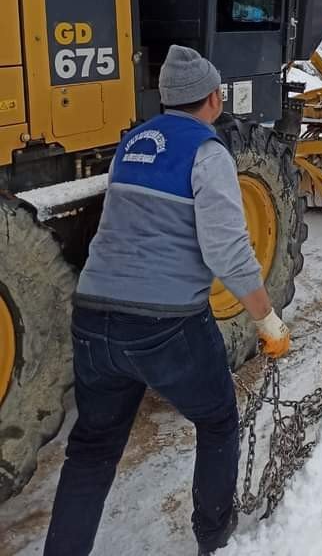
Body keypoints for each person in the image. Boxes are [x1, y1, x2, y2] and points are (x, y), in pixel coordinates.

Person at [44, 45, 290, 556]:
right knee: (218, 417)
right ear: (214, 99)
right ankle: (214, 540)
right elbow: (226, 248)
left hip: (93, 317)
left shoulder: (131, 144)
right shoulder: (207, 152)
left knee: (91, 451)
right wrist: (266, 319)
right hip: (165, 323)